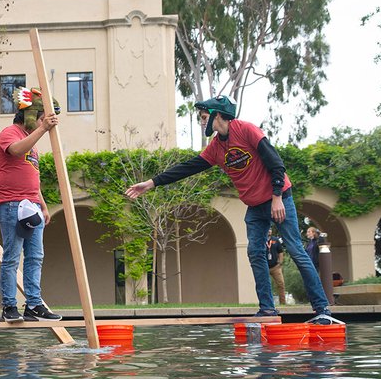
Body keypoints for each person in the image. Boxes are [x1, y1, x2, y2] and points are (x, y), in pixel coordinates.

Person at [125, 95, 341, 325]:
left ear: (218, 116)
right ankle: (267, 309)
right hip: (255, 206)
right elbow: (188, 168)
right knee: (255, 252)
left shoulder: (247, 130)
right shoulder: (216, 148)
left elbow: (276, 163)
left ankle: (322, 309)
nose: (201, 122)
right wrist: (151, 183)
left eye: (204, 117)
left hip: (278, 197)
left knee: (297, 250)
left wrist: (277, 197)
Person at [0, 87, 62, 323]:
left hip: (31, 204)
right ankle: (9, 306)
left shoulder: (32, 143)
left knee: (36, 256)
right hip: (11, 202)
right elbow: (14, 151)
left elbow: (34, 177)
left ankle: (33, 304)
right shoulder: (10, 133)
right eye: (42, 117)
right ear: (32, 116)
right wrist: (43, 129)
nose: (45, 122)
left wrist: (42, 205)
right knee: (12, 256)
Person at [266, 233, 286, 305]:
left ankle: (283, 303)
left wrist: (280, 263)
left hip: (275, 267)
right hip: (265, 267)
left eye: (270, 229)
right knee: (265, 285)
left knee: (281, 284)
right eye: (268, 229)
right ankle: (267, 304)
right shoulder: (261, 239)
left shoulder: (275, 240)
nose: (269, 230)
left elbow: (280, 251)